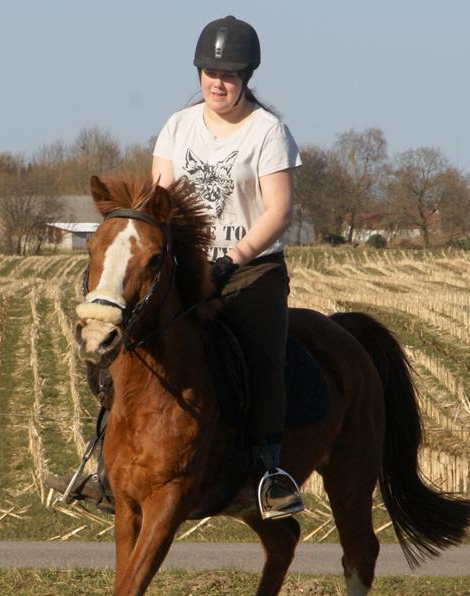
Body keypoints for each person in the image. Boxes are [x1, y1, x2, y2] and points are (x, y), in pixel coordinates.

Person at [53, 15, 305, 520]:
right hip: (184, 268)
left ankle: (270, 473)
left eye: (229, 74)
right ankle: (105, 464)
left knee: (261, 359)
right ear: (199, 72)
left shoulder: (268, 132)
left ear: (247, 76)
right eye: (210, 71)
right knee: (121, 343)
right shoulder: (178, 127)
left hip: (251, 271)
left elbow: (278, 211)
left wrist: (231, 262)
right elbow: (157, 206)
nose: (218, 82)